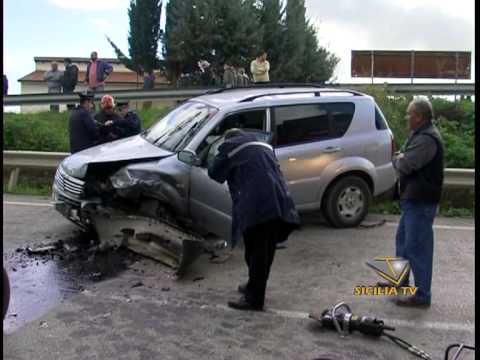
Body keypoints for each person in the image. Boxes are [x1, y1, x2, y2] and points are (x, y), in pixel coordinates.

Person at [208, 128, 300, 311]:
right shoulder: (262, 145)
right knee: (265, 251)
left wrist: (217, 156)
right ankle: (254, 287)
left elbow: (214, 173)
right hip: (279, 202)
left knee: (256, 253)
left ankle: (254, 300)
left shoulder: (230, 146)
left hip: (257, 205)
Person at [384, 98, 444, 308]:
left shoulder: (427, 139)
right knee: (403, 241)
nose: (407, 118)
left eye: (409, 114)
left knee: (417, 248)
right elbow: (403, 158)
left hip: (421, 201)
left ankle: (421, 295)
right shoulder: (419, 135)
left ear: (419, 117)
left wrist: (398, 159)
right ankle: (400, 282)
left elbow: (406, 163)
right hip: (413, 199)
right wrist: (400, 158)